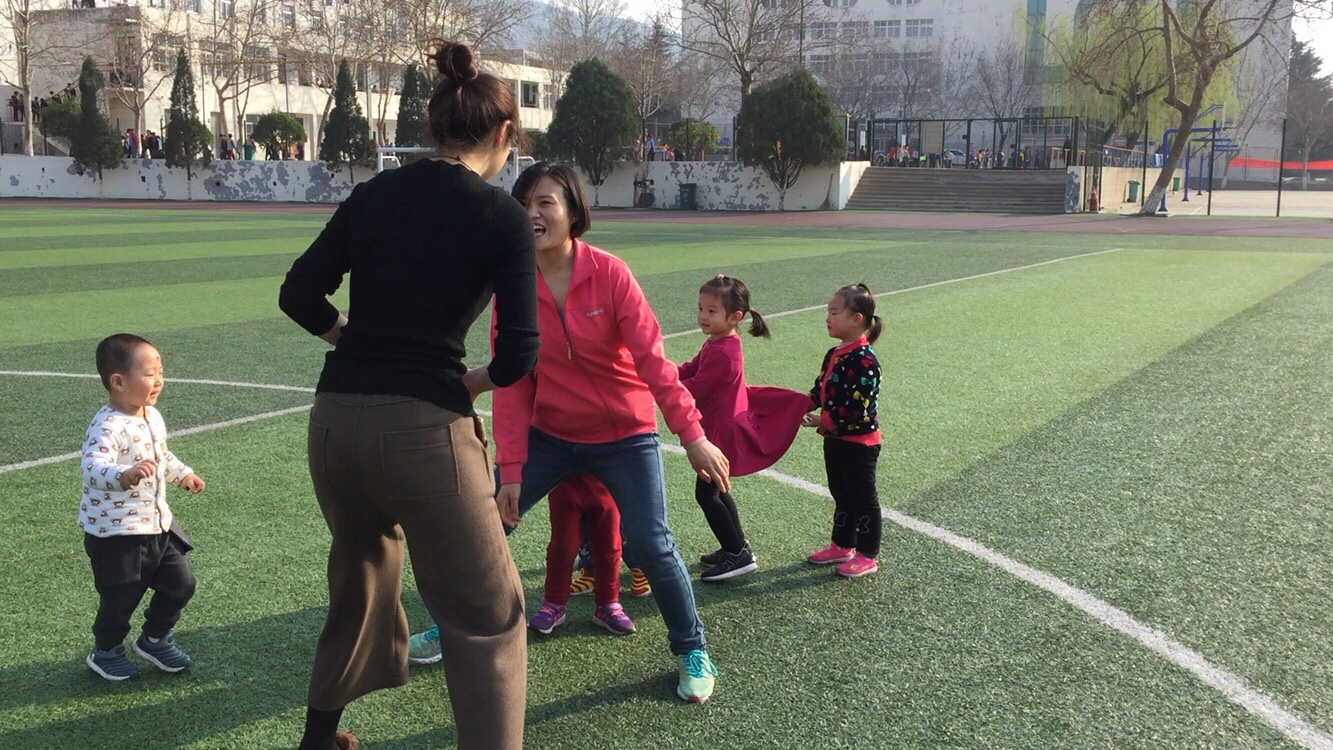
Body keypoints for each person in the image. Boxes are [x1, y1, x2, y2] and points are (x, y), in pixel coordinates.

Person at [278, 39, 538, 750]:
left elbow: (299, 294)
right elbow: (518, 355)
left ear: (434, 126)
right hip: (424, 433)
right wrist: (469, 382)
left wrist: (351, 339)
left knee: (359, 584)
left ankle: (317, 741)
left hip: (334, 426)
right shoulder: (502, 216)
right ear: (504, 134)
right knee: (487, 617)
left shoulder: (373, 194)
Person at [475, 160, 728, 703]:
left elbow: (655, 362)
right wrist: (511, 470)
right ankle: (453, 626)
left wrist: (692, 435)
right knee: (485, 524)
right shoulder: (513, 287)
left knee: (651, 544)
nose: (532, 213)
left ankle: (692, 649)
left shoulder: (610, 274)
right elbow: (512, 383)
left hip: (624, 436)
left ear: (572, 212)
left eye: (545, 202)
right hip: (551, 435)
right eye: (523, 204)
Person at [80, 334, 206, 681]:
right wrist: (123, 475)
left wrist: (183, 474)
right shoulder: (107, 425)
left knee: (181, 583)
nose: (160, 380)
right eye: (150, 374)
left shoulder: (152, 416)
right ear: (118, 382)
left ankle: (154, 638)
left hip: (157, 525)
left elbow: (161, 456)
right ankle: (106, 651)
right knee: (120, 598)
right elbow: (91, 467)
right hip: (116, 533)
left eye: (160, 372)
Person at [679, 275, 810, 582]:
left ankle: (737, 552)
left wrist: (660, 384)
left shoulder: (725, 352)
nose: (703, 316)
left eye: (712, 311)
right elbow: (691, 368)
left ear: (735, 317)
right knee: (718, 490)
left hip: (721, 433)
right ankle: (736, 546)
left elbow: (696, 385)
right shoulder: (718, 342)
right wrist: (660, 371)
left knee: (707, 494)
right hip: (718, 428)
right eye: (701, 308)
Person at [802, 284, 883, 579]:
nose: (828, 318)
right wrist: (797, 404)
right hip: (835, 439)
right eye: (828, 312)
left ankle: (868, 554)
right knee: (840, 493)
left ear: (856, 319)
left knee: (863, 498)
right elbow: (820, 390)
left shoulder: (865, 361)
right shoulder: (834, 353)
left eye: (834, 312)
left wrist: (823, 420)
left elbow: (858, 409)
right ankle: (842, 544)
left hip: (859, 444)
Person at [528, 474, 637, 635]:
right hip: (565, 479)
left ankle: (608, 604)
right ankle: (554, 604)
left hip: (606, 480)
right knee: (563, 547)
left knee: (609, 545)